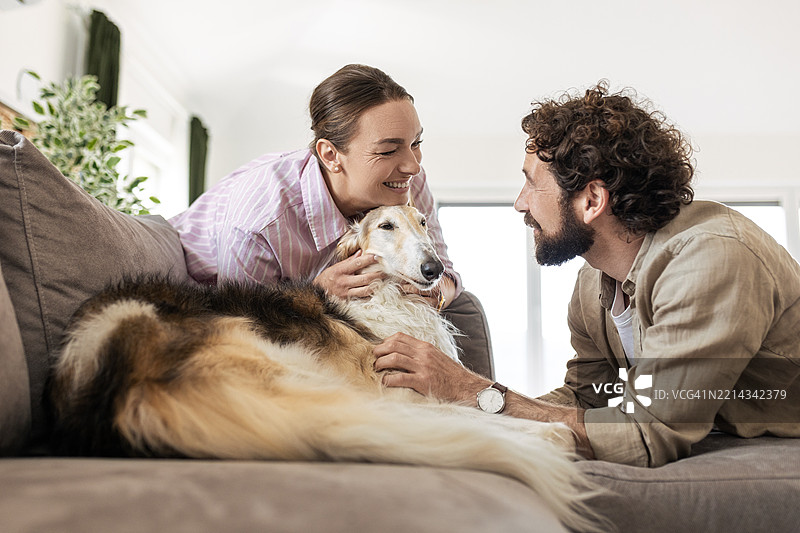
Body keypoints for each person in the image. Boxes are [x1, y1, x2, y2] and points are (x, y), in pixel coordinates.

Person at [373, 81, 800, 467]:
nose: (520, 204)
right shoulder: (594, 281)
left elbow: (646, 434)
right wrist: (470, 419)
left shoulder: (711, 260)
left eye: (531, 184)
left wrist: (472, 391)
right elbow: (587, 396)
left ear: (592, 199)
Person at [170, 64, 461, 305]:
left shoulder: (406, 182)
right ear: (331, 155)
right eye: (388, 150)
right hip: (195, 294)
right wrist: (314, 294)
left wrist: (434, 295)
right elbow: (242, 321)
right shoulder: (259, 223)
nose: (413, 165)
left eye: (416, 143)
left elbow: (447, 276)